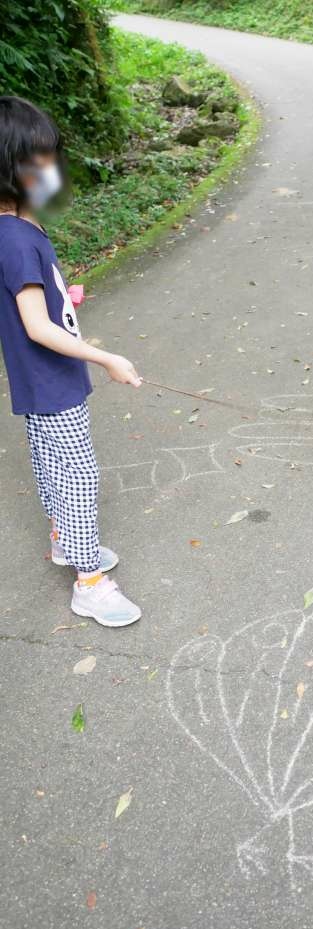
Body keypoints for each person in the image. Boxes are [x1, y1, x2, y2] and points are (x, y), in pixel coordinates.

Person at [0, 96, 143, 627]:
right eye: (41, 160)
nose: (52, 170)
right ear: (13, 170)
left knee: (51, 460)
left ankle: (65, 540)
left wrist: (65, 298)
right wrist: (107, 358)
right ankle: (89, 582)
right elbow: (37, 327)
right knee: (79, 473)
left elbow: (30, 308)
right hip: (51, 379)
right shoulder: (14, 239)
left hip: (42, 379)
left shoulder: (20, 228)